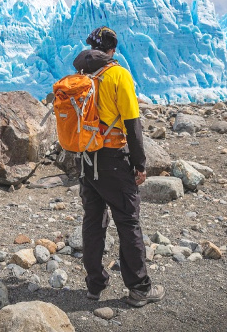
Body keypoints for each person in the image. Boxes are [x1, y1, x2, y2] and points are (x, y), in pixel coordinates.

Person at [72, 26, 165, 307]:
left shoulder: (80, 75)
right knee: (127, 222)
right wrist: (140, 164)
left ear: (90, 47)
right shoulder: (118, 74)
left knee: (93, 222)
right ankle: (139, 288)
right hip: (113, 160)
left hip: (87, 160)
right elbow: (132, 125)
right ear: (112, 50)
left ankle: (95, 285)